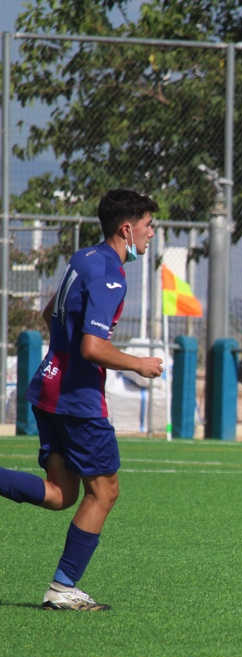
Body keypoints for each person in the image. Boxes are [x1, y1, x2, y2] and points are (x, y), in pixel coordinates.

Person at [0, 189, 163, 611]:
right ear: (127, 229)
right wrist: (137, 363)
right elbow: (92, 347)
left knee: (60, 494)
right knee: (105, 492)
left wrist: (65, 355)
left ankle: (63, 586)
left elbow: (48, 313)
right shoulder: (110, 272)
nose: (152, 233)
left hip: (48, 387)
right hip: (77, 400)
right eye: (148, 225)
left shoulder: (84, 258)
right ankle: (62, 587)